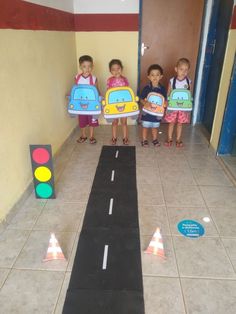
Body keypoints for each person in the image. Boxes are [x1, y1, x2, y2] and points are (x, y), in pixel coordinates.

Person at [164, 58, 191, 147]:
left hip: (183, 107)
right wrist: (166, 102)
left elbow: (189, 94)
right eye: (181, 69)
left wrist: (189, 103)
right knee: (171, 122)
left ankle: (178, 139)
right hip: (173, 107)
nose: (183, 72)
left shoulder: (188, 81)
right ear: (176, 69)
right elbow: (168, 92)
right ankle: (169, 138)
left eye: (186, 70)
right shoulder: (172, 81)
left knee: (180, 123)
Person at [140, 64, 167, 147]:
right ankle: (144, 140)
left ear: (161, 76)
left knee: (155, 127)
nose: (155, 77)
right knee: (145, 126)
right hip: (147, 113)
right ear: (149, 77)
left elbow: (164, 100)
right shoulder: (146, 88)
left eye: (157, 75)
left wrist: (165, 104)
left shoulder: (162, 89)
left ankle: (155, 139)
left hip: (157, 113)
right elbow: (140, 99)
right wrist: (145, 103)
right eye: (152, 75)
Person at [75, 55, 99, 144]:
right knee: (82, 121)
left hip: (91, 105)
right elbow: (76, 90)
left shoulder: (94, 78)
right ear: (80, 67)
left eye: (89, 66)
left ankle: (92, 136)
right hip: (81, 105)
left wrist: (100, 98)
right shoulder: (77, 77)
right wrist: (71, 96)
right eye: (84, 66)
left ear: (92, 67)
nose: (87, 69)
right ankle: (83, 135)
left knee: (92, 121)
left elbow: (96, 90)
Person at [106, 59, 129, 145]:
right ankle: (114, 137)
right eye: (113, 69)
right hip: (113, 105)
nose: (116, 71)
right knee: (114, 122)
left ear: (122, 69)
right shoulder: (109, 80)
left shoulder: (125, 80)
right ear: (110, 71)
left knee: (124, 122)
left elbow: (127, 92)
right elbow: (108, 92)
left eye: (118, 68)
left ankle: (125, 138)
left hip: (124, 104)